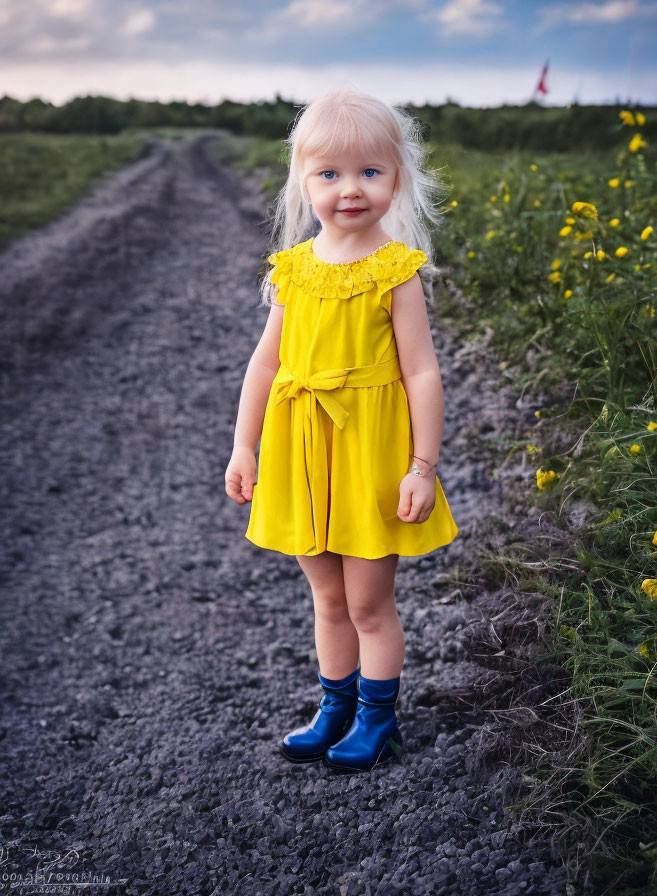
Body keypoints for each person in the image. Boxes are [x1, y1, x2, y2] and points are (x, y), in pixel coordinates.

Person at [224, 86, 459, 773]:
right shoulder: (293, 269)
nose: (349, 190)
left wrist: (422, 465)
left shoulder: (395, 272)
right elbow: (264, 365)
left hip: (368, 453)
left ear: (397, 179)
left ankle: (377, 719)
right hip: (302, 448)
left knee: (368, 600)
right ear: (304, 179)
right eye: (329, 174)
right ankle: (334, 706)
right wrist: (245, 445)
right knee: (327, 595)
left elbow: (421, 374)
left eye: (368, 172)